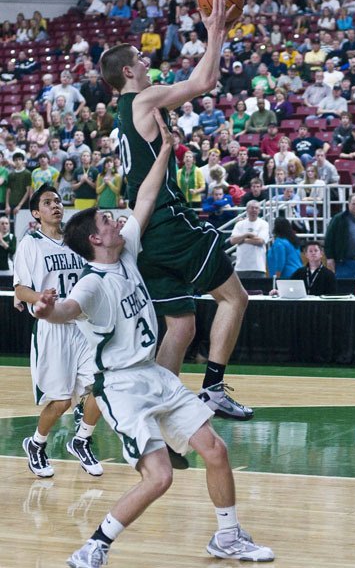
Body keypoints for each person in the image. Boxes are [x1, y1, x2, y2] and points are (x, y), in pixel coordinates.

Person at [34, 109, 274, 568]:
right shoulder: (91, 283)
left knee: (215, 450)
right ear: (95, 241)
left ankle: (228, 537)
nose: (117, 222)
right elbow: (67, 310)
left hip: (153, 375)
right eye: (107, 220)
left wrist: (164, 152)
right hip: (121, 386)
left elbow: (145, 197)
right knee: (159, 477)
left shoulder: (128, 253)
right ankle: (94, 545)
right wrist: (48, 310)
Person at [99, 0, 252, 419]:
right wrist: (215, 33)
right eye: (141, 60)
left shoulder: (121, 114)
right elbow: (203, 83)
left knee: (181, 326)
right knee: (235, 299)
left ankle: (155, 406)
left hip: (144, 230)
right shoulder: (143, 101)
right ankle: (214, 388)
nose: (148, 63)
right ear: (128, 71)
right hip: (168, 220)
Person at [13, 184, 102, 479]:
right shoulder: (31, 244)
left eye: (59, 201)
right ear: (36, 213)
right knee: (62, 401)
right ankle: (36, 444)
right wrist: (38, 298)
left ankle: (82, 440)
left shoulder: (77, 241)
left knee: (100, 389)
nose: (56, 206)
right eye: (48, 202)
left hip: (83, 326)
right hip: (53, 328)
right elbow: (21, 288)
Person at [325, 193, 355, 279]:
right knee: (343, 289)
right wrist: (330, 257)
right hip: (343, 262)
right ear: (348, 204)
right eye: (353, 204)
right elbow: (329, 238)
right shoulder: (338, 219)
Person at [230, 200, 269, 279]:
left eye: (256, 208)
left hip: (258, 267)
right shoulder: (240, 224)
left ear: (259, 211)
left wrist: (242, 240)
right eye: (251, 208)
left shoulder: (263, 224)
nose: (254, 210)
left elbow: (261, 241)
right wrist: (247, 234)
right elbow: (233, 241)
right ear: (247, 209)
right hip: (240, 267)